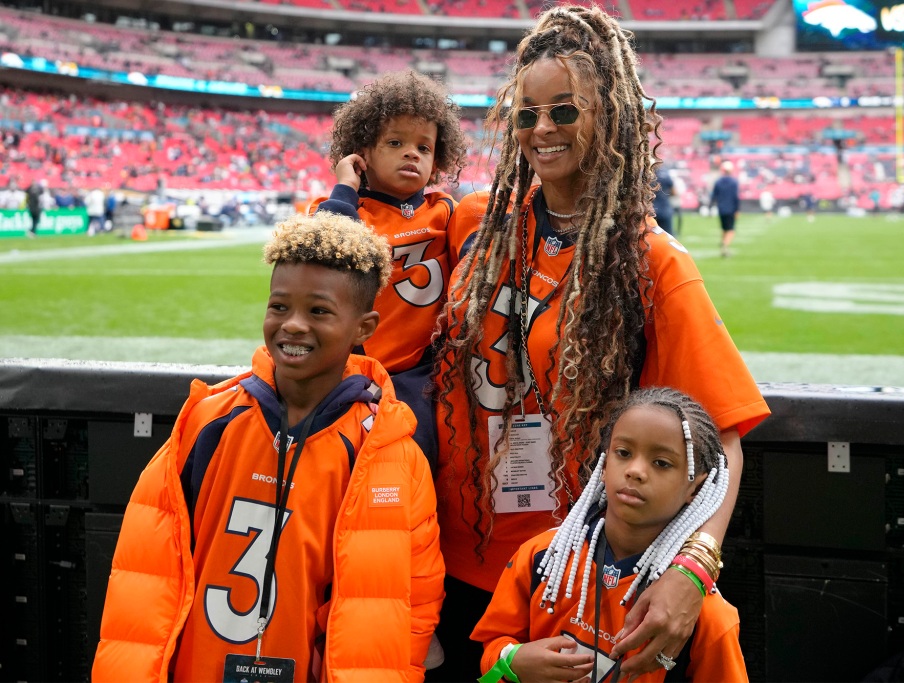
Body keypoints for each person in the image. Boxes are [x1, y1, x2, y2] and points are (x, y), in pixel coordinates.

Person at [429, 6, 770, 681]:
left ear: (609, 115)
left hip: (564, 577)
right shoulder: (473, 225)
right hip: (445, 561)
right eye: (525, 115)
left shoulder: (653, 263)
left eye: (564, 110)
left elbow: (721, 440)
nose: (541, 129)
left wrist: (693, 570)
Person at [92, 211, 445, 682]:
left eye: (319, 311)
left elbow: (411, 603)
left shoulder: (390, 453)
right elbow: (146, 575)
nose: (293, 325)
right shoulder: (208, 421)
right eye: (279, 307)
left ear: (364, 328)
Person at [472, 388, 747, 682]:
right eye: (624, 453)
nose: (636, 470)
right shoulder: (542, 557)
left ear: (695, 487)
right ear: (603, 466)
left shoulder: (706, 614)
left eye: (661, 463)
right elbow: (491, 657)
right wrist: (511, 663)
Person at [313, 69, 468, 468]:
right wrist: (345, 186)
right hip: (352, 370)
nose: (412, 153)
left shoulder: (445, 211)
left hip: (421, 373)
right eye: (395, 142)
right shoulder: (344, 210)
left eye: (424, 147)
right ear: (363, 153)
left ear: (437, 160)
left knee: (416, 463)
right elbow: (321, 257)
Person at [710, 161, 740, 257]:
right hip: (731, 209)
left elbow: (713, 196)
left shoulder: (718, 181)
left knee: (724, 229)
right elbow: (736, 197)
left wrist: (710, 207)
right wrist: (737, 210)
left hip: (721, 209)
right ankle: (725, 245)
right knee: (730, 229)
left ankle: (723, 242)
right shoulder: (734, 182)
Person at [652, 162, 677, 235]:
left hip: (650, 210)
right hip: (664, 210)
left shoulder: (645, 175)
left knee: (649, 238)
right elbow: (674, 192)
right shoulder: (666, 174)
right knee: (667, 236)